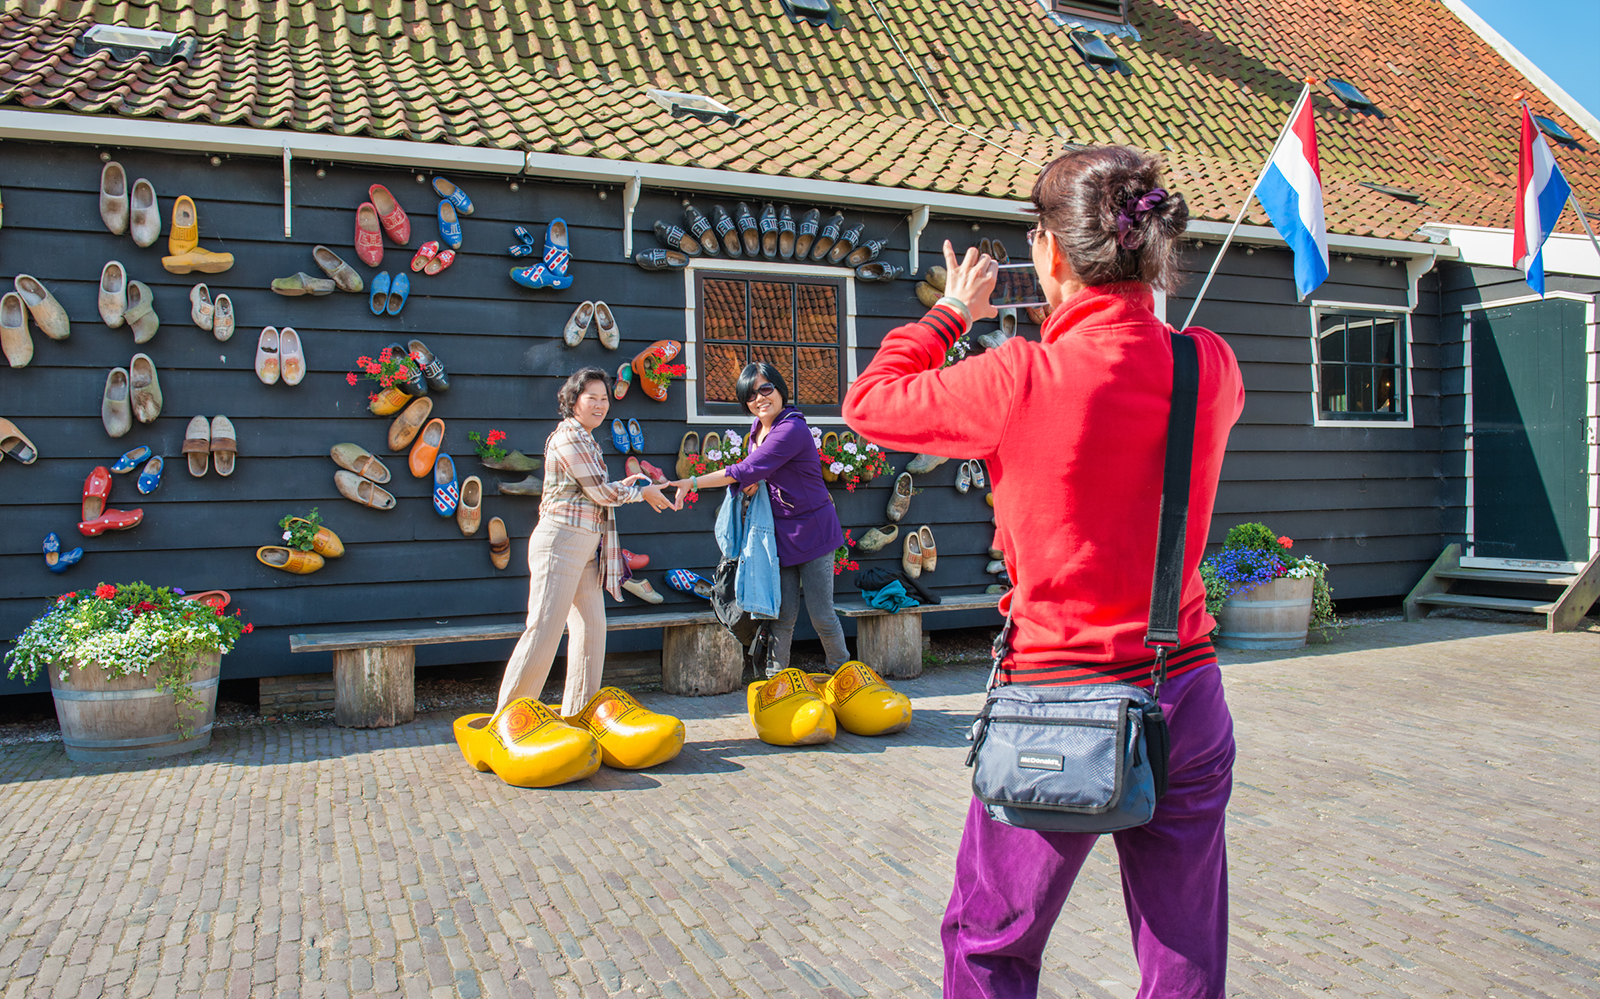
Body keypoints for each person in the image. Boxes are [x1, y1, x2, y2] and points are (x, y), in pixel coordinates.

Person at [842, 146, 1246, 998]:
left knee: (990, 944)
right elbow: (1144, 349)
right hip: (1186, 690)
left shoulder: (1019, 375)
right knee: (1183, 953)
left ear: (1052, 254)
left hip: (1058, 698)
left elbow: (871, 403)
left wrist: (951, 311)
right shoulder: (1209, 366)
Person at [498, 366, 678, 716]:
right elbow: (598, 491)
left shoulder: (587, 439)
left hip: (585, 545)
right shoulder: (568, 437)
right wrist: (641, 493)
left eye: (604, 398)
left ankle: (577, 716)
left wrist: (639, 485)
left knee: (592, 631)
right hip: (560, 542)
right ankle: (508, 721)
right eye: (591, 397)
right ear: (573, 401)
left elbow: (601, 491)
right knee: (544, 632)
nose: (600, 404)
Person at [667, 362, 849, 676]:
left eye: (766, 389)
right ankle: (776, 679)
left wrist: (692, 482)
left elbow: (745, 470)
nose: (759, 398)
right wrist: (756, 484)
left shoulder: (791, 428)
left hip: (814, 531)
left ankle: (843, 671)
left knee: (821, 614)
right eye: (751, 395)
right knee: (781, 614)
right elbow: (757, 473)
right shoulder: (757, 430)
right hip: (779, 533)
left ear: (780, 390)